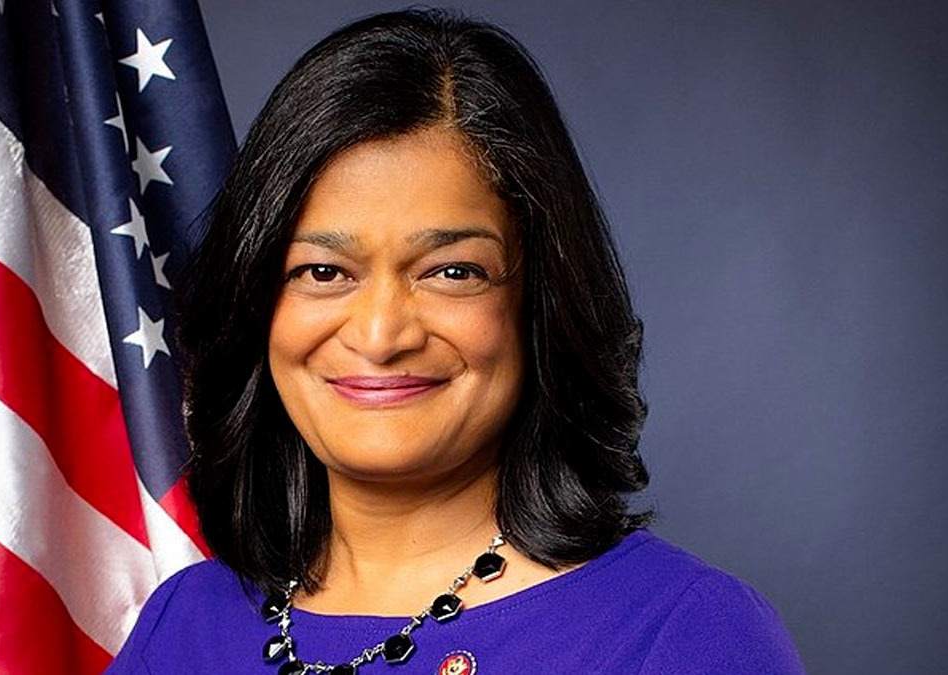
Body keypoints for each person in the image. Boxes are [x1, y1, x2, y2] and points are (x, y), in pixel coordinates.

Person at [106, 8, 804, 675]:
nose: (381, 334)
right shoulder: (183, 622)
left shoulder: (683, 632)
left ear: (539, 301)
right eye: (323, 271)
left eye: (451, 271)